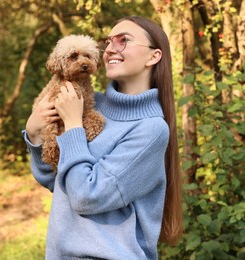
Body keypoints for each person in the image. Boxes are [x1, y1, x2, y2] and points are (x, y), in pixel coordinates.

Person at [22, 16, 183, 260]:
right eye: (108, 42)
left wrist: (74, 124)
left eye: (123, 41)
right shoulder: (89, 104)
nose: (109, 48)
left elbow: (87, 197)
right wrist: (34, 134)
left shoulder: (151, 130)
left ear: (153, 56)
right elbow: (58, 181)